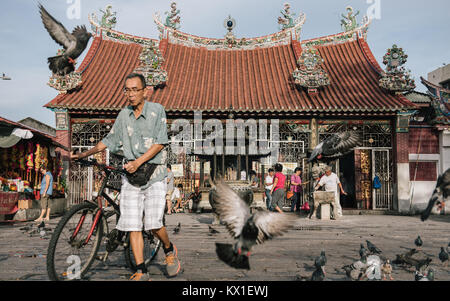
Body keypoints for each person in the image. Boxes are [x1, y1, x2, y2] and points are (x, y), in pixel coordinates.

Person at [70, 73, 180, 281]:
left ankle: (168, 249)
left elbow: (160, 143)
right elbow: (109, 140)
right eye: (127, 90)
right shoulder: (123, 115)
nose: (130, 94)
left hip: (154, 175)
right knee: (132, 224)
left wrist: (139, 162)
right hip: (130, 176)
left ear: (145, 91)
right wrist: (84, 154)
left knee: (154, 223)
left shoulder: (157, 111)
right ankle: (141, 270)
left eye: (134, 89)